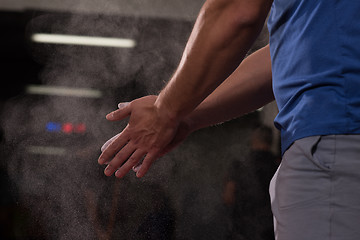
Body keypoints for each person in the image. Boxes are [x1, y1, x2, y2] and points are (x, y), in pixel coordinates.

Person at [98, 0, 360, 239]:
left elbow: (237, 9)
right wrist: (184, 115)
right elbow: (292, 54)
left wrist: (165, 112)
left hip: (337, 140)